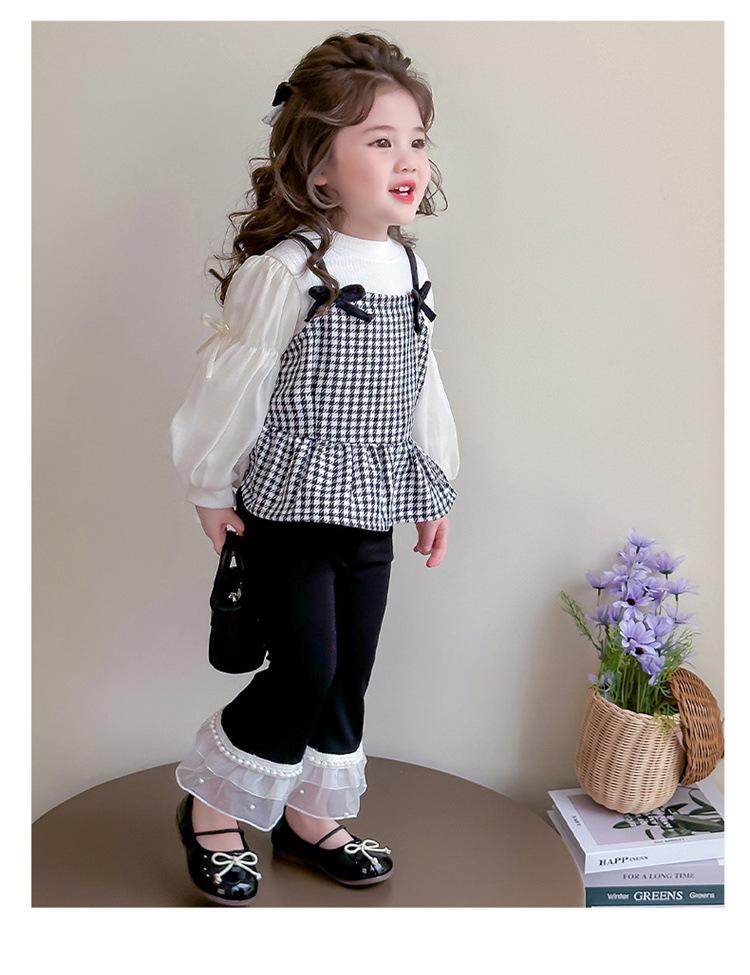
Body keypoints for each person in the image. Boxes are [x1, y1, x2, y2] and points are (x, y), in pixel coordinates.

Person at [170, 31, 459, 905]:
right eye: (380, 140)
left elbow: (421, 382)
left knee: (349, 668)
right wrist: (209, 485)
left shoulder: (409, 267)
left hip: (373, 498)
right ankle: (210, 809)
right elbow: (234, 381)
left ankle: (307, 816)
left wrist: (434, 486)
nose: (407, 160)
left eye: (416, 141)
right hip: (292, 502)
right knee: (304, 666)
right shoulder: (290, 270)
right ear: (320, 169)